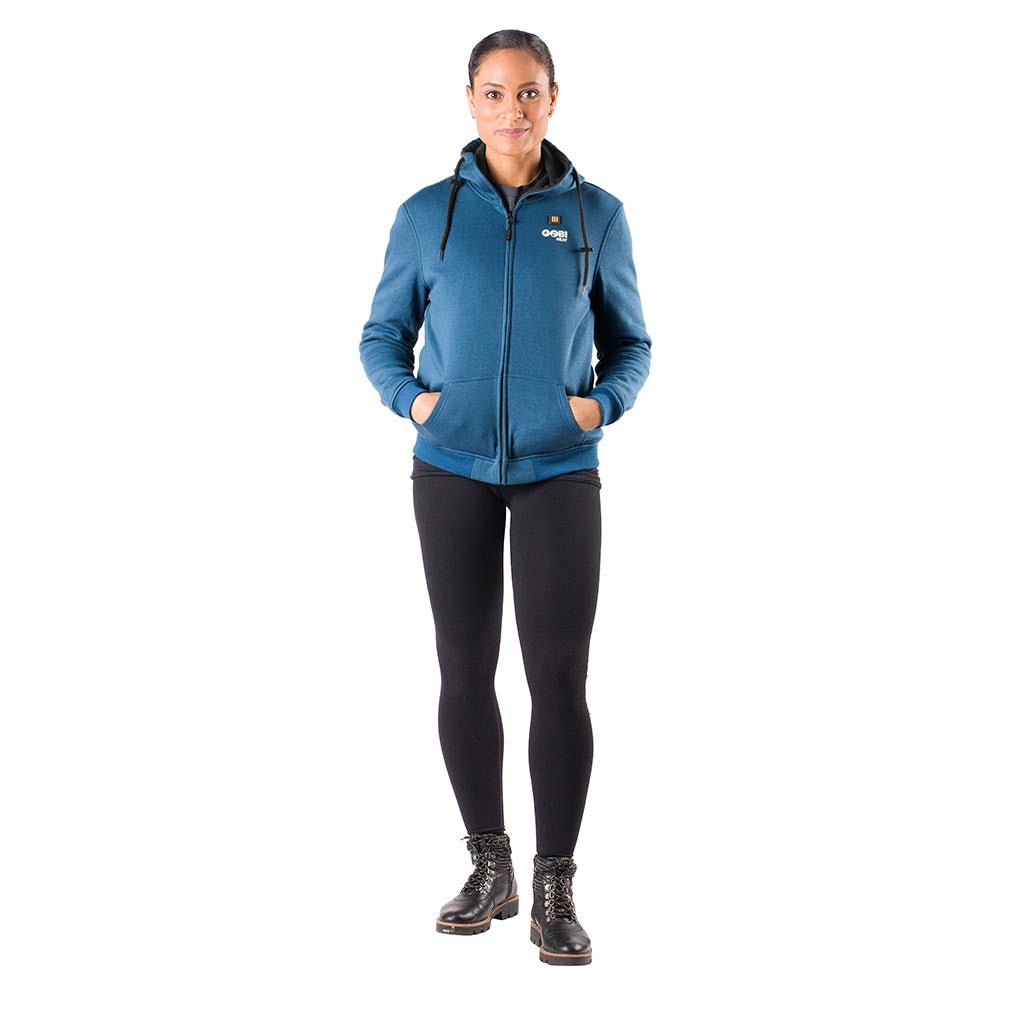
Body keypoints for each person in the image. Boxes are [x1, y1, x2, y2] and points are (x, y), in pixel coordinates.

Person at [359, 29, 651, 966]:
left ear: (553, 98)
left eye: (528, 92)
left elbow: (632, 344)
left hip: (559, 468)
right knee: (464, 669)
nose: (512, 110)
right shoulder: (427, 215)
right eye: (494, 92)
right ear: (471, 100)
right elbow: (380, 335)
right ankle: (491, 867)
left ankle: (555, 886)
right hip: (450, 467)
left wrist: (596, 407)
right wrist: (417, 403)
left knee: (559, 677)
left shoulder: (597, 215)